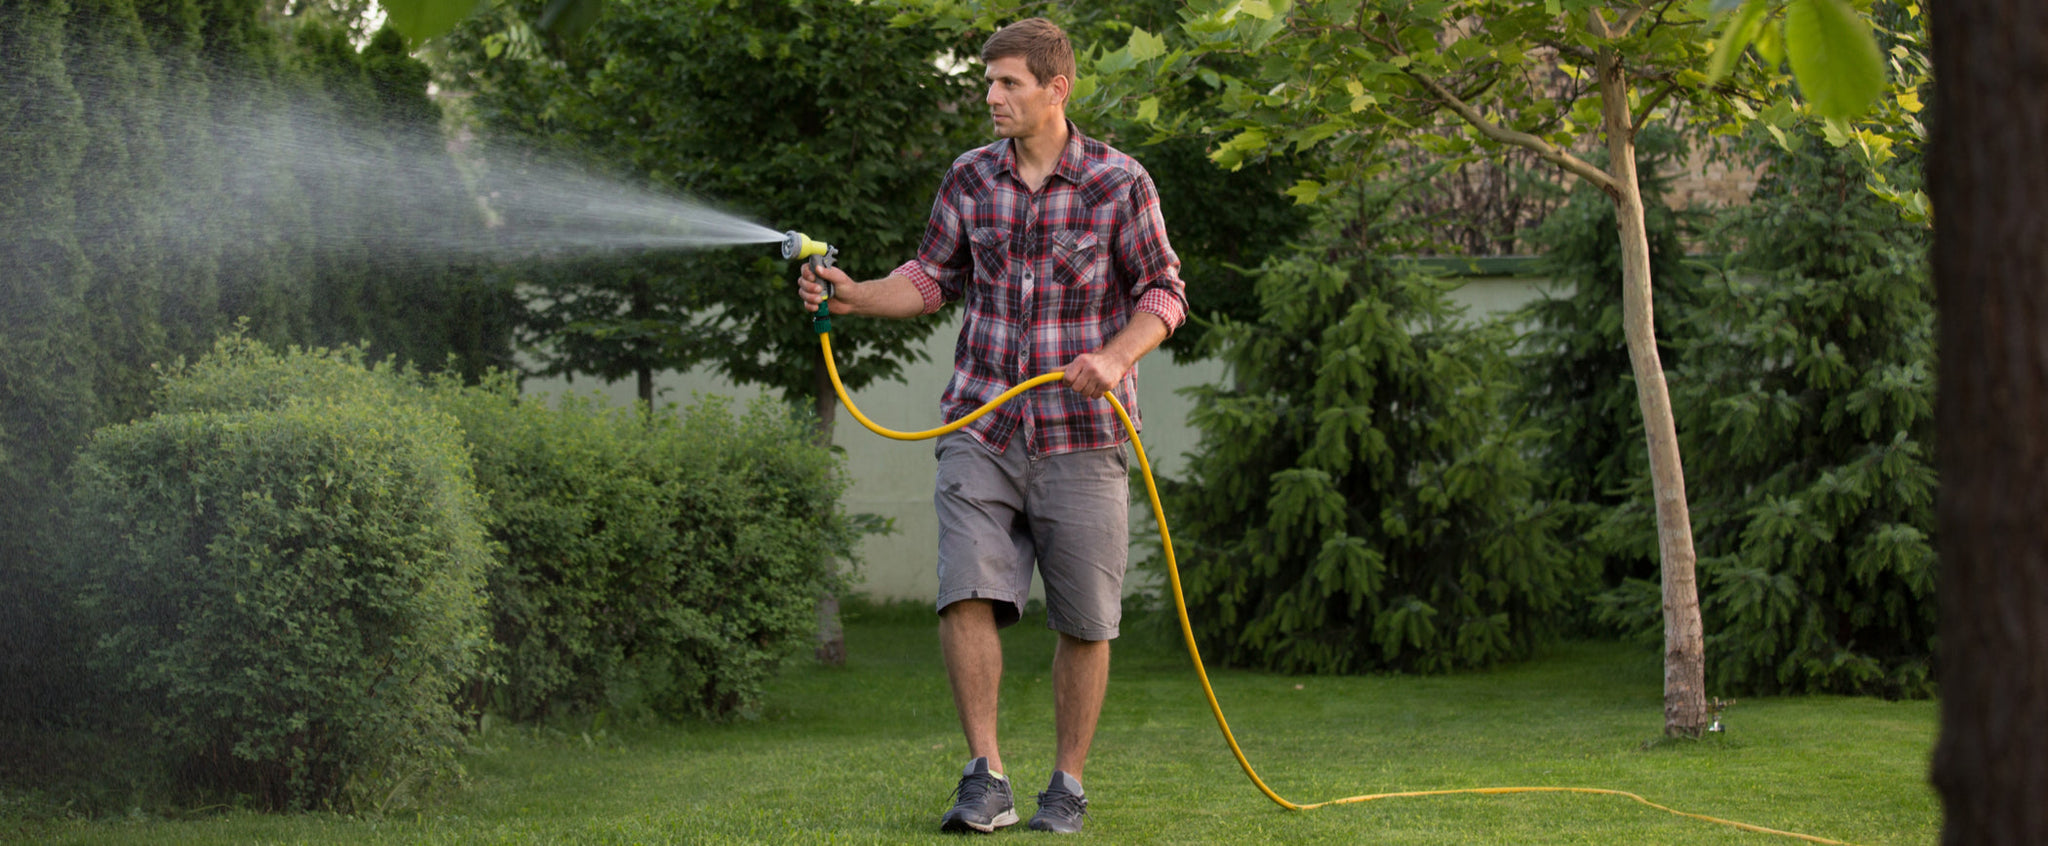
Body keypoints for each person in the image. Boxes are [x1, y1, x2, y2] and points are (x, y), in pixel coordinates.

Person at [795, 16, 1187, 836]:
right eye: (988, 82)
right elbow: (931, 277)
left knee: (1085, 621)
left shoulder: (1121, 182)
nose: (992, 96)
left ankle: (1067, 786)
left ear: (1057, 88)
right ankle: (987, 777)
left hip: (1085, 434)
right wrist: (855, 294)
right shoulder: (970, 178)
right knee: (965, 588)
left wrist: (1114, 358)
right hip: (983, 422)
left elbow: (1163, 294)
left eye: (1008, 82)